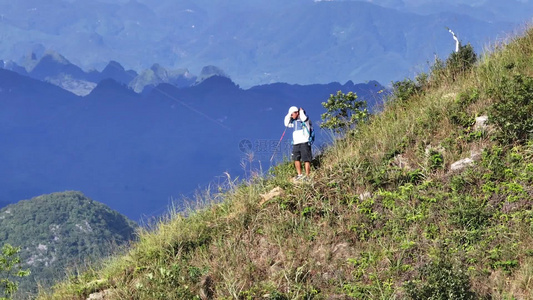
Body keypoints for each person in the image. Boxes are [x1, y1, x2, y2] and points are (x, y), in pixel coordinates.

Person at [284, 106, 313, 180]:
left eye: (292, 114)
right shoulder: (293, 122)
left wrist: (301, 112)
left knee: (306, 159)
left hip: (304, 142)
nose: (291, 116)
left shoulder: (305, 120)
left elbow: (304, 118)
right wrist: (289, 114)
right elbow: (286, 123)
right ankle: (299, 175)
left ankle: (307, 176)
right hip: (296, 143)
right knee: (296, 158)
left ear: (297, 113)